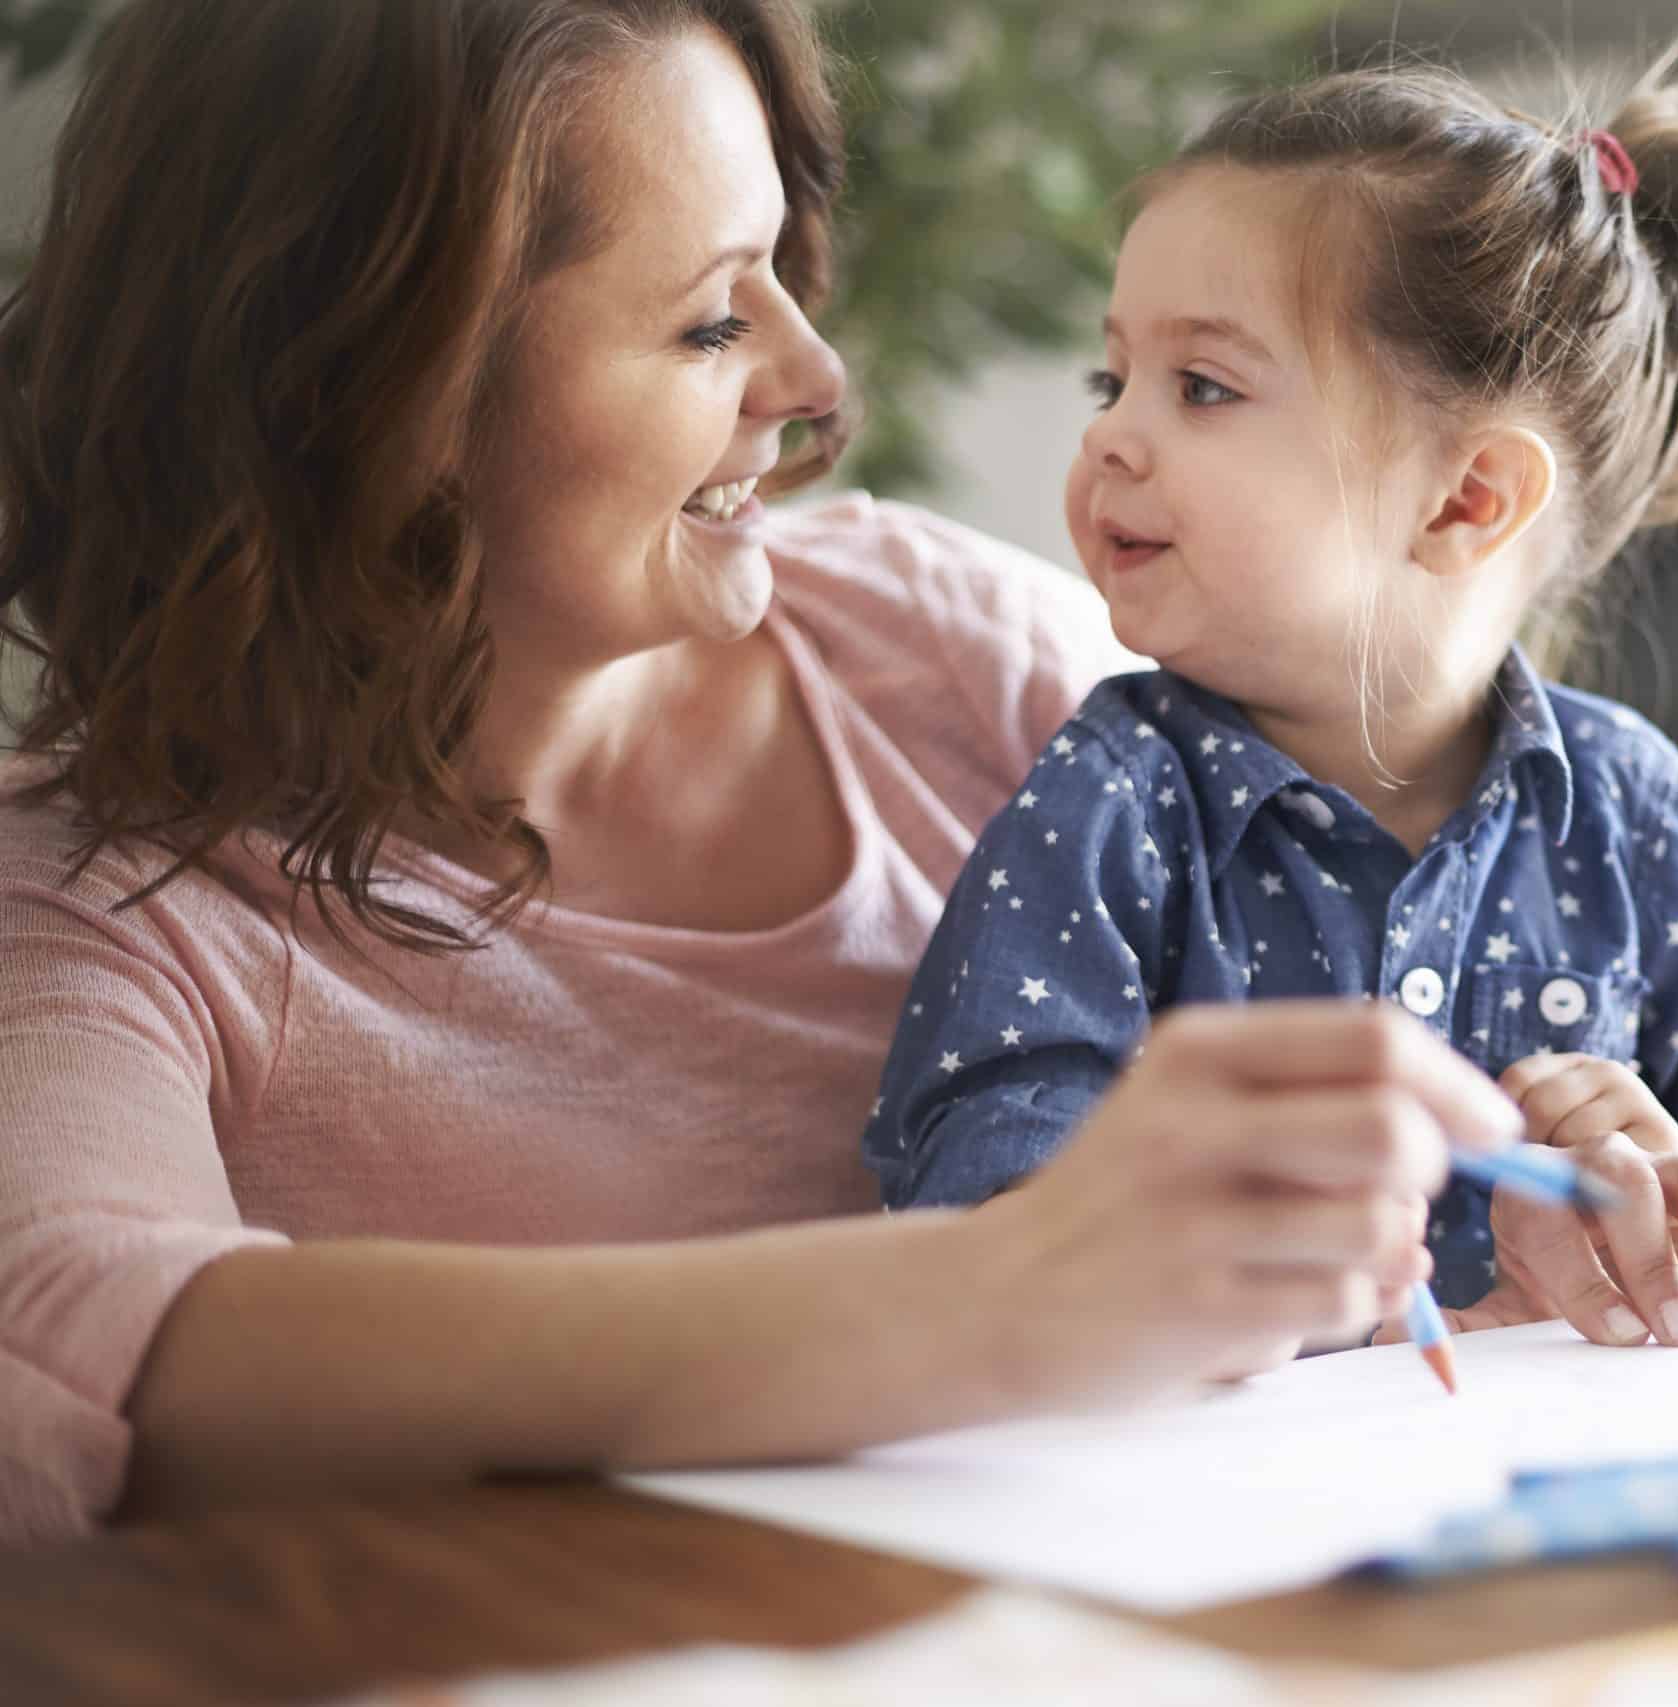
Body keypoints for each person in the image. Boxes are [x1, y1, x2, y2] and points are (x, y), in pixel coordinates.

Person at [0, 0, 1523, 1547]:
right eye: (714, 320)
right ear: (382, 392)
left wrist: (1579, 1152)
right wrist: (999, 1294)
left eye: (783, 270)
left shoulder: (954, 657)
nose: (813, 375)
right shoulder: (98, 903)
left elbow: (1437, 954)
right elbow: (79, 1334)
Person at [865, 56, 1678, 1354]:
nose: (1111, 439)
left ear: (1468, 500)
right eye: (1112, 379)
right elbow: (980, 1167)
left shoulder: (1631, 815)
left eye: (1202, 388)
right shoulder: (1115, 797)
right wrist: (1199, 1236)